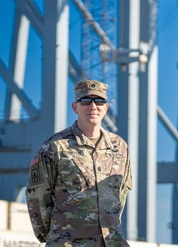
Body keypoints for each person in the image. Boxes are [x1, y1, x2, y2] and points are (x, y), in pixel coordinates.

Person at [26, 79, 132, 246]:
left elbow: (122, 194)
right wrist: (56, 236)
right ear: (75, 107)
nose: (93, 106)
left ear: (106, 108)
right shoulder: (55, 146)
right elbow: (37, 196)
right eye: (85, 101)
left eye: (99, 101)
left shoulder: (119, 147)